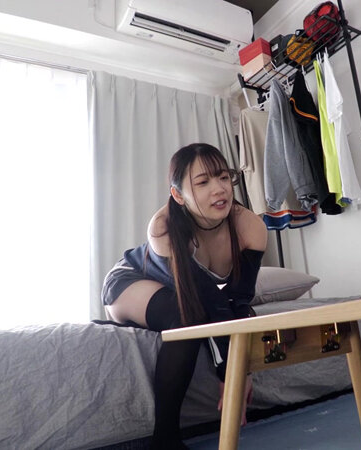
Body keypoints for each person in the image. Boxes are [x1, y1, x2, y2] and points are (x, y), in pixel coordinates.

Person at [100, 143, 267, 449]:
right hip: (131, 281)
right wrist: (229, 372)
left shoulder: (250, 227)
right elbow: (204, 302)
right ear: (178, 195)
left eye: (223, 177)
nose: (219, 189)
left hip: (182, 293)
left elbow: (237, 301)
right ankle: (165, 440)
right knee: (186, 317)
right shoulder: (162, 227)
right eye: (203, 182)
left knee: (237, 315)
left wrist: (244, 367)